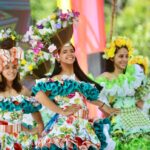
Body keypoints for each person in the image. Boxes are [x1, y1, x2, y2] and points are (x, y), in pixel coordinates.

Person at [32, 42, 120, 150]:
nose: (70, 53)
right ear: (58, 58)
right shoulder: (57, 79)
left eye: (72, 51)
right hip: (66, 128)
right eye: (65, 51)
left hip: (83, 127)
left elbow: (90, 98)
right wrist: (61, 111)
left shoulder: (80, 81)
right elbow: (38, 94)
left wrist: (105, 107)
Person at [96, 37, 150, 149]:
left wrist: (140, 102)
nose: (124, 59)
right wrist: (107, 109)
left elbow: (144, 92)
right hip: (119, 120)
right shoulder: (105, 77)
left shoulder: (133, 75)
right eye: (120, 56)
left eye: (126, 56)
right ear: (112, 57)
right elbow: (94, 95)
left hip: (139, 118)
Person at [0, 47, 44, 149]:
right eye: (7, 67)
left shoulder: (23, 90)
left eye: (14, 67)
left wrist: (37, 128)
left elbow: (35, 110)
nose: (12, 71)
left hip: (19, 139)